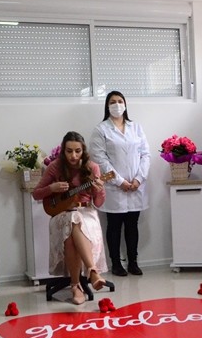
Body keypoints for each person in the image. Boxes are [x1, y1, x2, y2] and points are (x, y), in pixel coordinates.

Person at [33, 131, 109, 305]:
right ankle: (93, 272)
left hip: (87, 213)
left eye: (77, 151)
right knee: (72, 218)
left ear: (83, 151)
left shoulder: (92, 167)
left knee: (74, 221)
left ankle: (76, 286)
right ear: (63, 151)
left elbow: (98, 202)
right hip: (60, 214)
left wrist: (99, 188)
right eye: (69, 151)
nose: (73, 156)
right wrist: (51, 188)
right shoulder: (55, 166)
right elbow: (36, 194)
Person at [89, 91, 150, 276]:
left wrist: (138, 179)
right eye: (113, 102)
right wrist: (120, 181)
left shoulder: (136, 127)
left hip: (136, 186)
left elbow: (145, 154)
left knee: (133, 224)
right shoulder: (101, 129)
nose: (117, 105)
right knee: (114, 226)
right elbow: (99, 159)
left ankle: (133, 262)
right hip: (113, 187)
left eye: (120, 101)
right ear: (107, 106)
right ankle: (116, 263)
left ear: (125, 104)